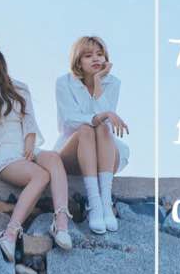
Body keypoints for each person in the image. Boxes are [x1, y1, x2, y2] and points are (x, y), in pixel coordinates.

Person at [0, 37, 72, 261]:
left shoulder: (20, 88)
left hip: (25, 147)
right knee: (41, 176)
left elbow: (29, 122)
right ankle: (9, 234)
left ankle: (61, 222)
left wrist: (29, 147)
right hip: (3, 153)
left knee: (53, 158)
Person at [55, 35, 129, 234]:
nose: (96, 58)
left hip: (104, 151)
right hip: (74, 149)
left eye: (100, 54)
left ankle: (105, 203)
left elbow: (105, 120)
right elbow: (69, 119)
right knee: (86, 128)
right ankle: (94, 204)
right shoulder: (64, 82)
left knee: (102, 127)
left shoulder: (113, 83)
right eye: (88, 56)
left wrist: (97, 82)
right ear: (78, 61)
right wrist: (99, 116)